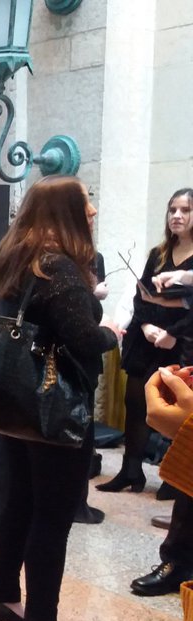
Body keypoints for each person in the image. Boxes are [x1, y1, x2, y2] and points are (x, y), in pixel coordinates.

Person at [0, 176, 115, 621]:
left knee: (20, 499)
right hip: (55, 406)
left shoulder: (17, 257)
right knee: (52, 514)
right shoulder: (57, 267)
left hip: (19, 402)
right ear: (65, 211)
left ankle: (5, 596)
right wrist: (112, 332)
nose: (94, 211)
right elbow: (85, 338)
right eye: (86, 203)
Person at [99, 188, 193, 494]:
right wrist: (149, 327)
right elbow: (140, 296)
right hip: (147, 339)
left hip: (180, 343)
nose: (177, 216)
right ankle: (131, 471)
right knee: (135, 403)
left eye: (185, 210)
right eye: (172, 210)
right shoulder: (159, 253)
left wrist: (172, 333)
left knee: (177, 410)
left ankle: (173, 478)